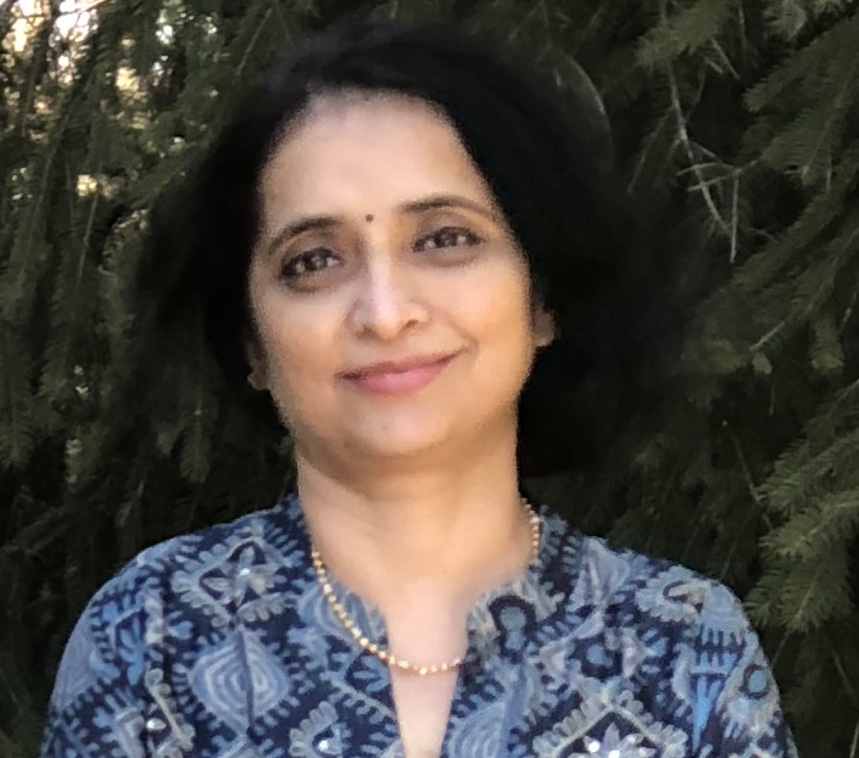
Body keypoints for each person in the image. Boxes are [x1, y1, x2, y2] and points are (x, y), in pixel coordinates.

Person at [40, 17, 797, 758]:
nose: (386, 312)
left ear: (541, 298)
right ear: (251, 343)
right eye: (313, 260)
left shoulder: (682, 648)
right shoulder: (154, 635)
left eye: (444, 239)